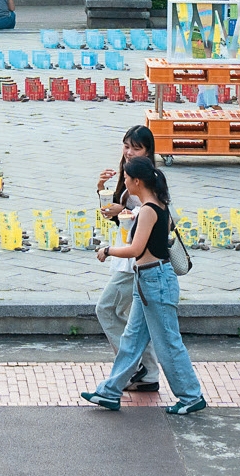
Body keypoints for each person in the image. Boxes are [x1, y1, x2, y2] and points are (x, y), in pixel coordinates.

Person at [80, 156, 208, 417]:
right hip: (148, 281)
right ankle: (110, 391)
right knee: (131, 340)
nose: (124, 181)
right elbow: (154, 221)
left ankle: (191, 396)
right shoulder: (157, 204)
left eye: (127, 178)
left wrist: (108, 250)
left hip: (156, 282)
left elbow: (136, 248)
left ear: (138, 181)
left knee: (168, 343)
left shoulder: (149, 210)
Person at [94, 125, 162, 394]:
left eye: (136, 148)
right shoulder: (128, 175)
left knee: (107, 309)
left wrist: (125, 210)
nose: (129, 152)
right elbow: (114, 216)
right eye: (126, 146)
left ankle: (135, 368)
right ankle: (147, 372)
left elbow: (156, 214)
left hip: (136, 258)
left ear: (148, 151)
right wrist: (102, 189)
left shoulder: (150, 180)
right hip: (127, 255)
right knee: (131, 318)